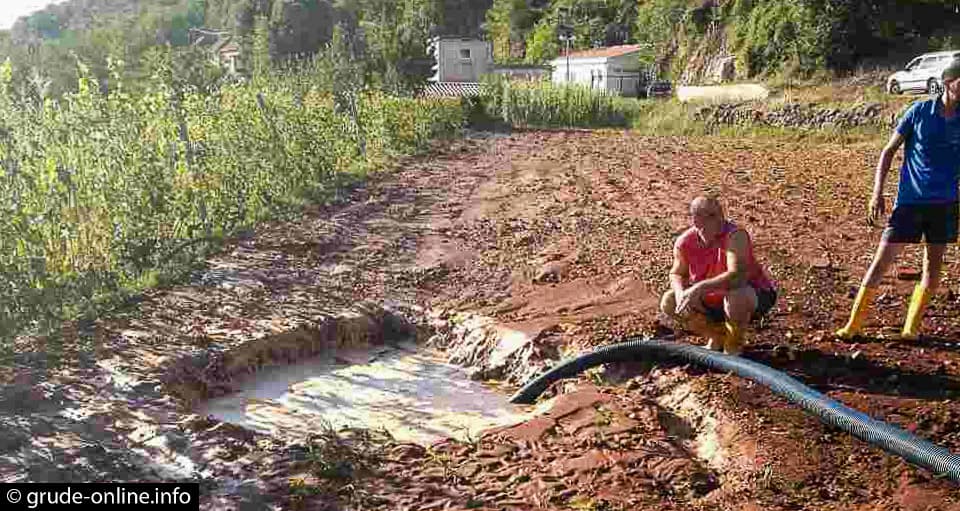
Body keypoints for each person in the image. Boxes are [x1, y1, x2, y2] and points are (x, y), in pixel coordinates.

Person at [836, 60, 960, 341]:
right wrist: (877, 192)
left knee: (933, 265)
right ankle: (853, 326)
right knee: (882, 261)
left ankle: (911, 329)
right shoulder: (919, 111)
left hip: (946, 204)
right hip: (910, 202)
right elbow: (888, 151)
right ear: (949, 81)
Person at [660, 196, 778, 355]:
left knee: (736, 295)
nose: (720, 220)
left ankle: (733, 346)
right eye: (711, 216)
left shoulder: (735, 236)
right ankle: (717, 336)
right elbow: (677, 273)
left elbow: (737, 276)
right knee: (670, 301)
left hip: (752, 295)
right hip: (712, 299)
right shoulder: (684, 243)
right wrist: (681, 292)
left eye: (719, 214)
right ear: (696, 220)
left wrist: (700, 287)